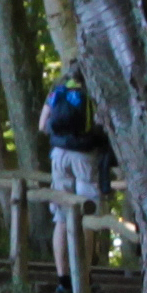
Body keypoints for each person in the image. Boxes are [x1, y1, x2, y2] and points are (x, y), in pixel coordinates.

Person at [38, 74, 111, 207]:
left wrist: (60, 133)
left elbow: (42, 126)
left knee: (61, 209)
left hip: (59, 153)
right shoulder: (92, 91)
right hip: (84, 153)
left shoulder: (57, 93)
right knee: (89, 207)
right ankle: (89, 227)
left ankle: (62, 226)